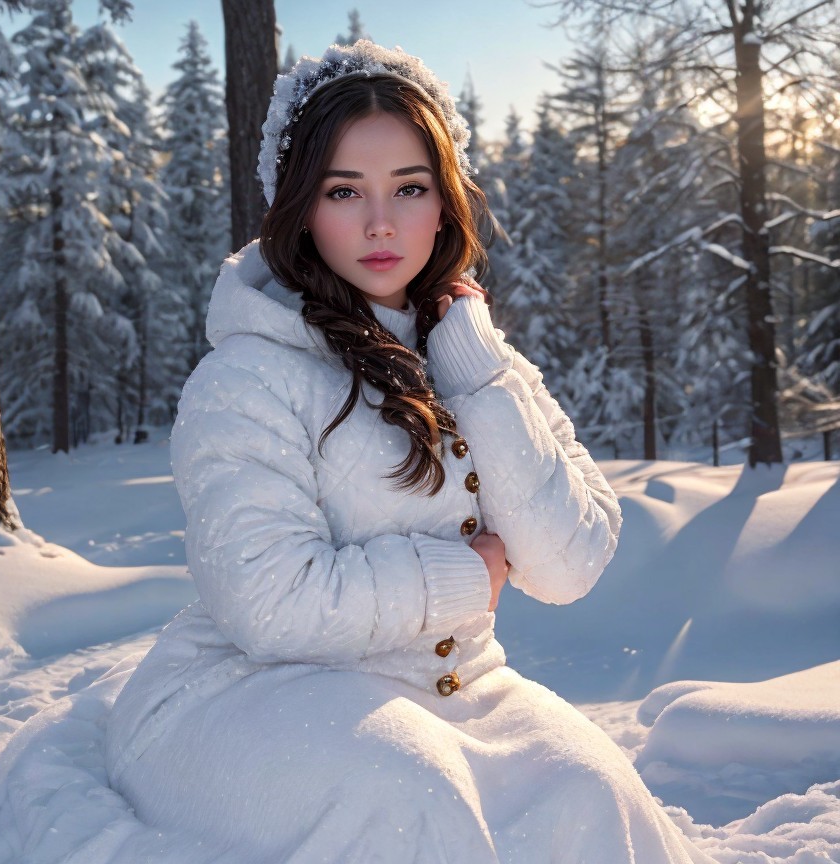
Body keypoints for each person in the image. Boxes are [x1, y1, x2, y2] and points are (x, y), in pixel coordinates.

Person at [105, 40, 712, 863]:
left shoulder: (473, 356)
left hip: (457, 688)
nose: (381, 222)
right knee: (415, 812)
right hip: (248, 692)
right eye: (344, 190)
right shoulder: (245, 375)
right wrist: (469, 574)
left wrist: (472, 364)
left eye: (410, 188)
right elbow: (271, 605)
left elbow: (570, 565)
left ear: (445, 202)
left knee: (593, 798)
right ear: (301, 207)